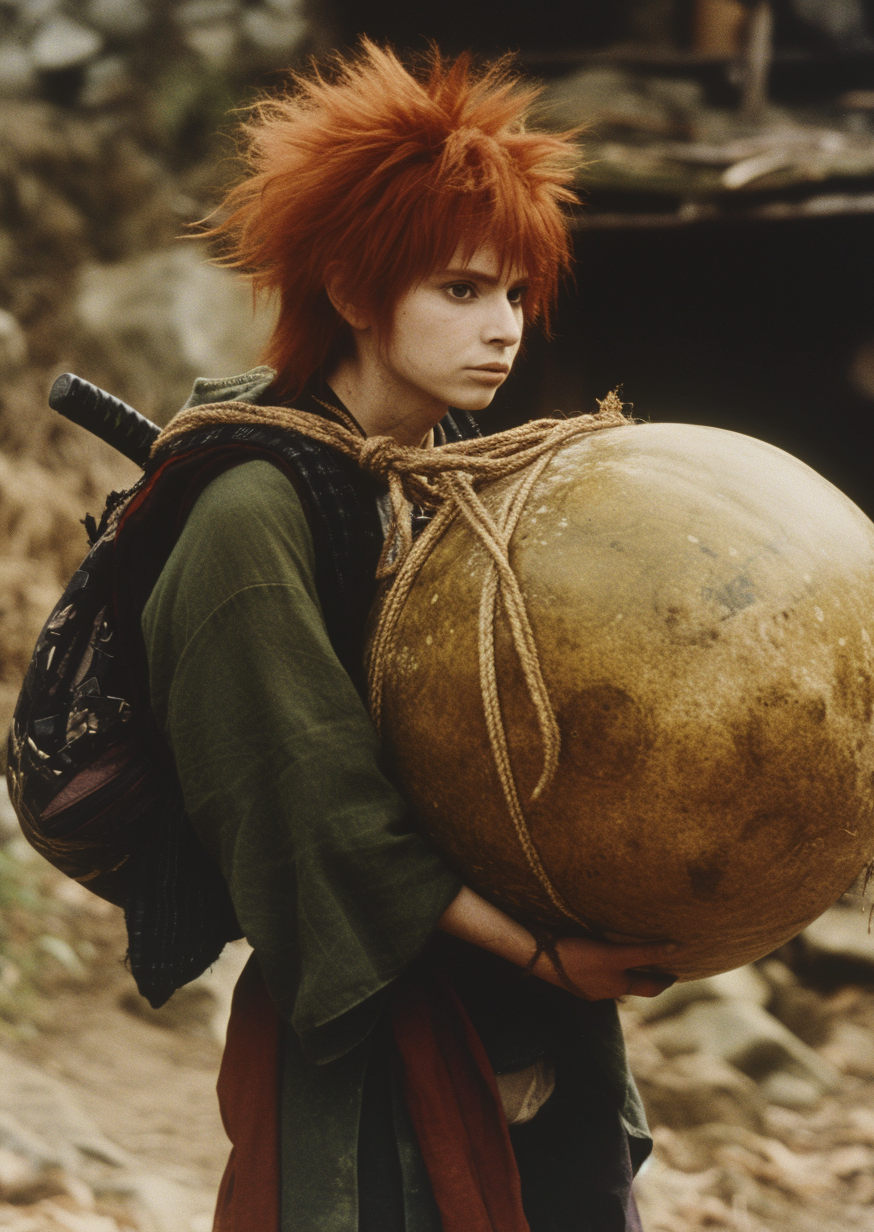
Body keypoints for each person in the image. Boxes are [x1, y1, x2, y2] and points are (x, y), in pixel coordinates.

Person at [140, 41, 677, 1232]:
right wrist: (545, 955)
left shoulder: (441, 479)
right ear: (347, 286)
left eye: (516, 295)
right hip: (389, 1024)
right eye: (461, 289)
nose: (504, 329)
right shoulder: (249, 509)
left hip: (528, 1002)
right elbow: (315, 810)